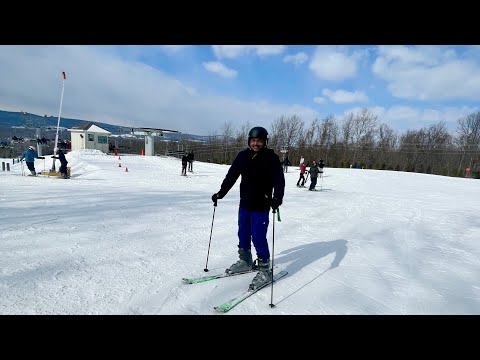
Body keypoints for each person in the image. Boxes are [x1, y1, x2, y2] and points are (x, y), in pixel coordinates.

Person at [211, 126, 285, 290]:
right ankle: (245, 260)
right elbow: (231, 176)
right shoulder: (242, 156)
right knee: (243, 233)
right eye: (253, 140)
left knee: (258, 237)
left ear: (265, 142)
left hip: (262, 206)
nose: (256, 143)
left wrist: (277, 199)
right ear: (249, 141)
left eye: (259, 141)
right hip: (244, 204)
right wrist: (220, 193)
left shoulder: (271, 158)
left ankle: (265, 269)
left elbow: (279, 181)